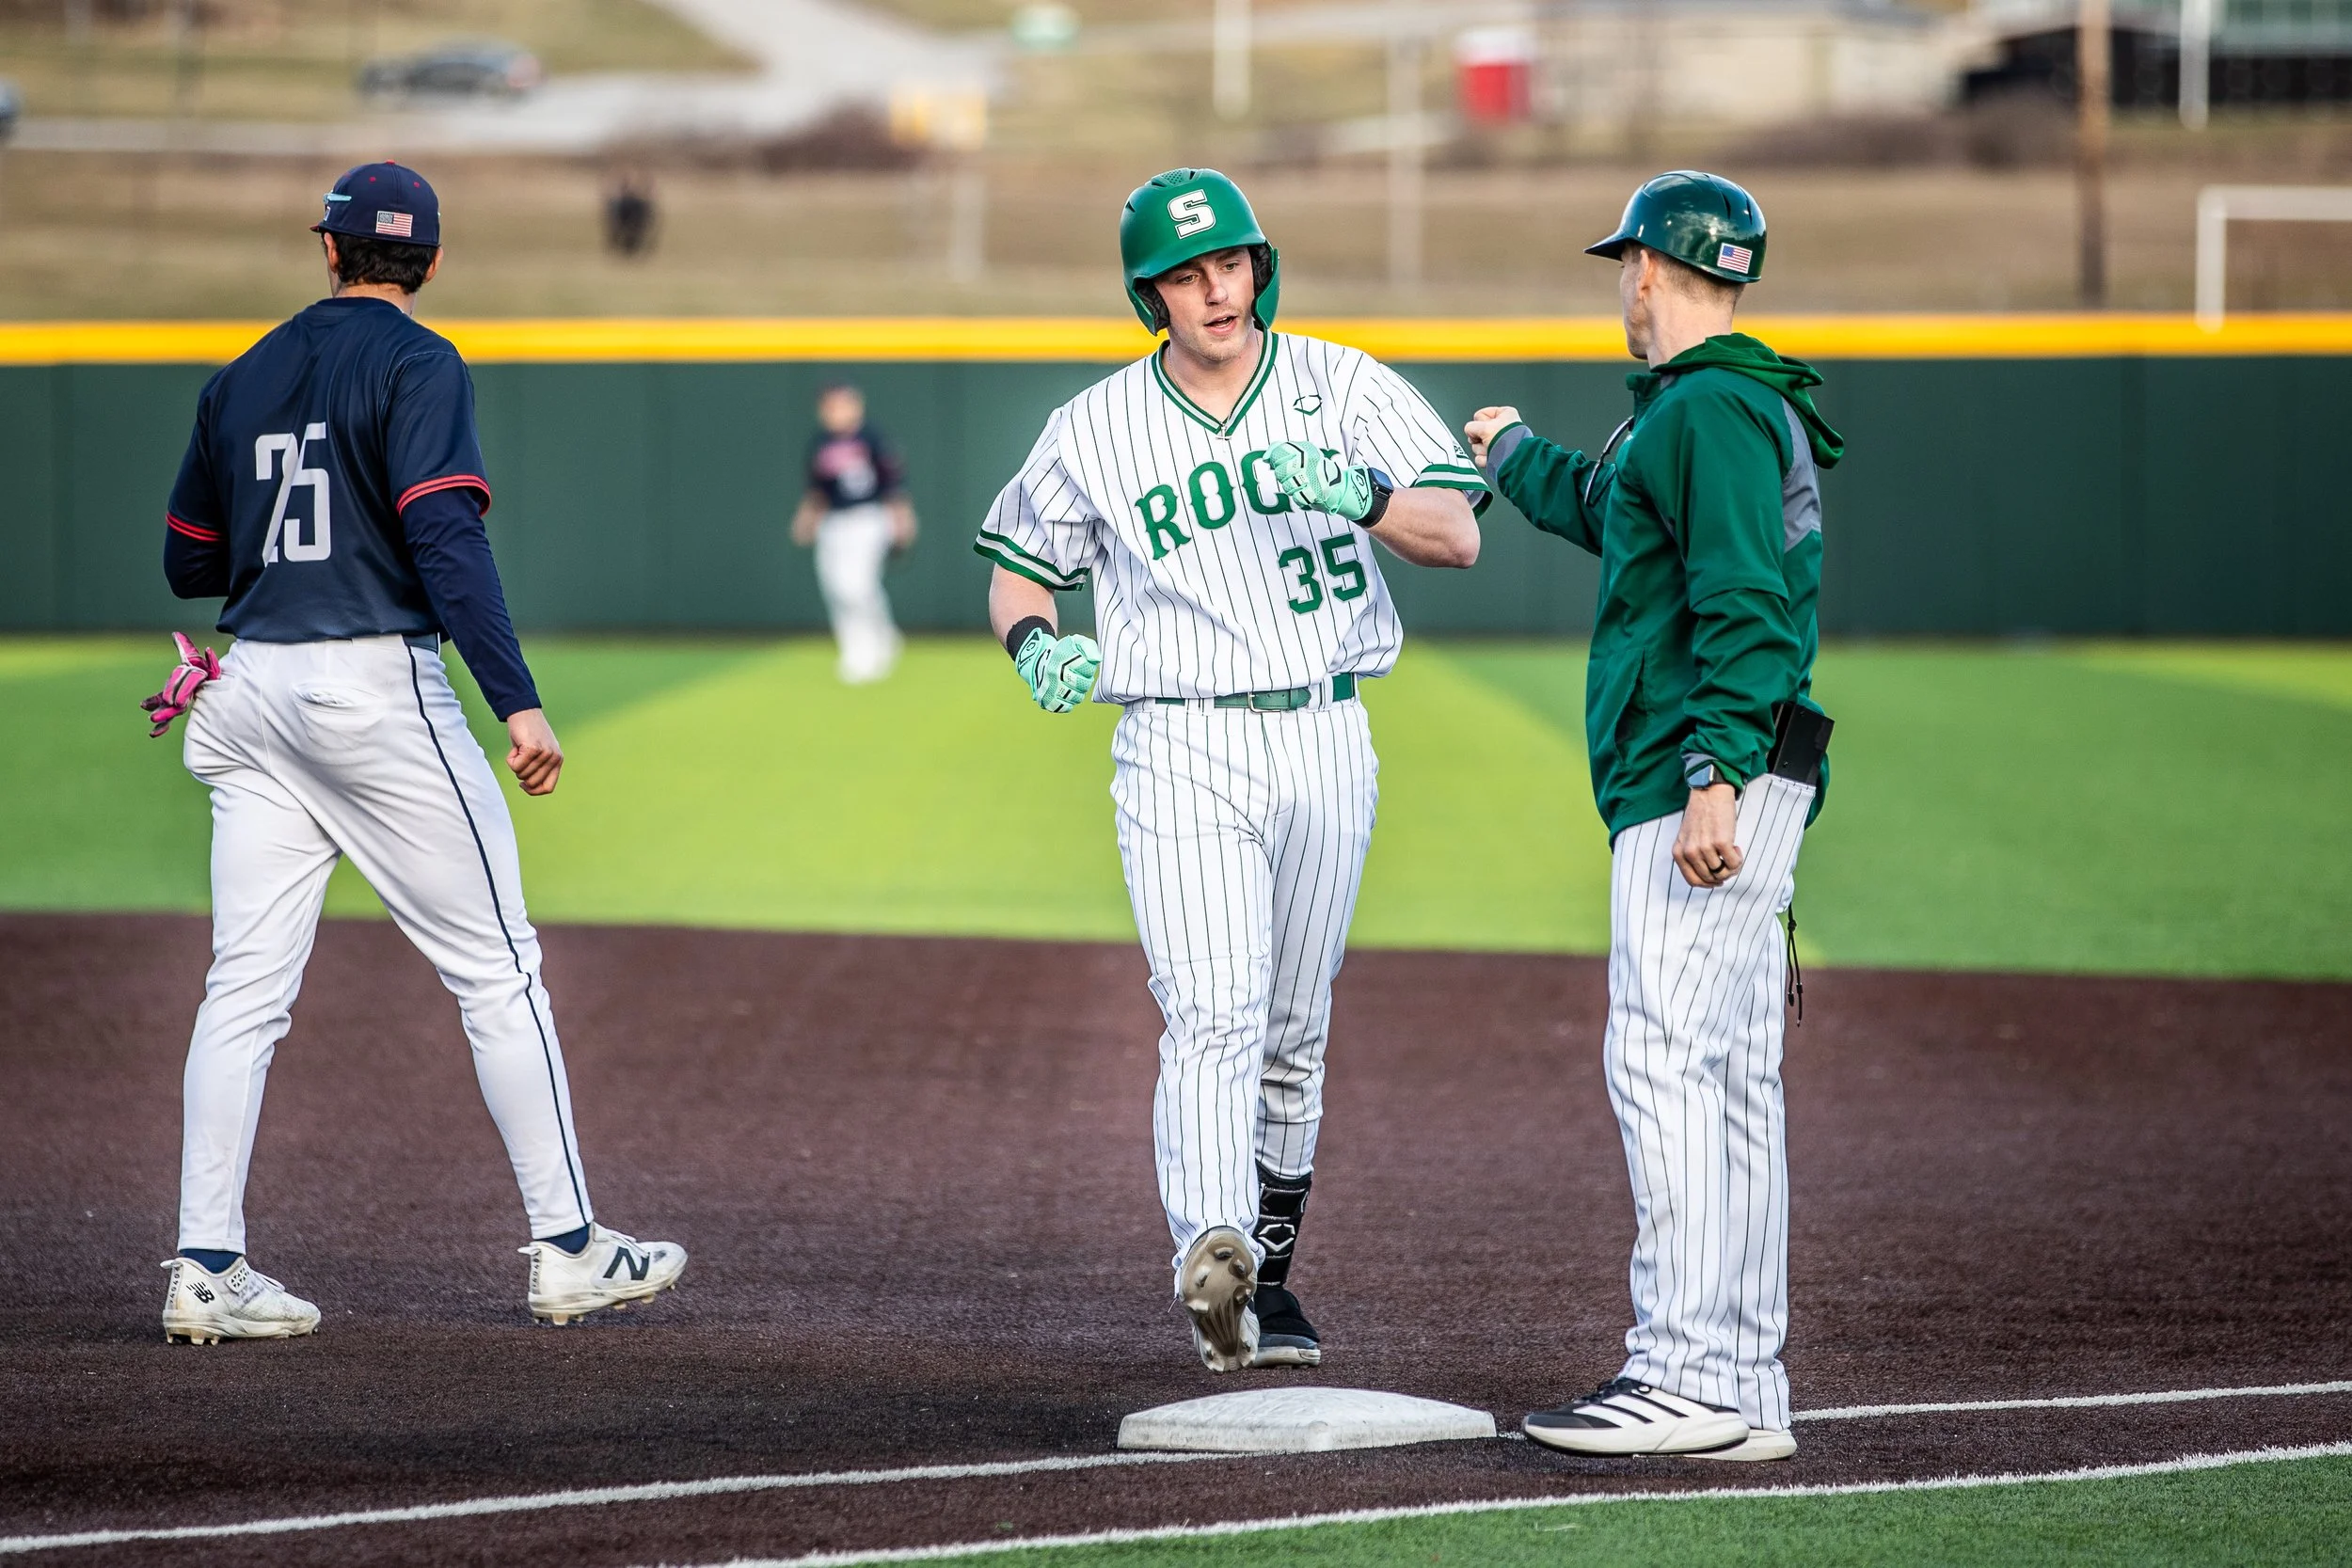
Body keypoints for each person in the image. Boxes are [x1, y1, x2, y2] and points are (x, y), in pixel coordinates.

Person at [148, 161, 687, 1345]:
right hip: (371, 688)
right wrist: (517, 700)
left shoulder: (240, 374)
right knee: (498, 970)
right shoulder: (420, 361)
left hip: (251, 692)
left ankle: (205, 1262)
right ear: (431, 262)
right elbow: (443, 532)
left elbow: (190, 560)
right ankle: (570, 1248)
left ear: (326, 248)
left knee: (243, 988)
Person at [975, 168, 1486, 1371]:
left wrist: (1361, 491)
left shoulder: (1341, 382)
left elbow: (1457, 533)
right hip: (1179, 739)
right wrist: (1034, 642)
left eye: (1231, 264)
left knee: (1292, 1033)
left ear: (1260, 267)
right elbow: (1017, 571)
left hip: (1324, 729)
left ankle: (1270, 1276)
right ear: (1147, 294)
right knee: (1213, 1010)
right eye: (1186, 274)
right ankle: (1212, 1250)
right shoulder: (1094, 426)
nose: (1214, 290)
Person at [1465, 171, 1841, 1460]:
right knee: (1729, 1074)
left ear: (1645, 268)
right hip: (1743, 761)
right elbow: (1613, 510)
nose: (1620, 288)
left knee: (1664, 1058)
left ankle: (1679, 1369)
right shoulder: (1703, 405)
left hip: (1701, 771)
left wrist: (1710, 773)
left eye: (1623, 265)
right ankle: (1739, 1379)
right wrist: (1514, 454)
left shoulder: (1711, 408)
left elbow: (1745, 602)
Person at [791, 384, 915, 684]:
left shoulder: (873, 437)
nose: (836, 412)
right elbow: (817, 492)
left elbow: (893, 486)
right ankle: (856, 649)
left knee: (857, 586)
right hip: (833, 522)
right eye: (830, 406)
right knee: (835, 588)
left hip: (868, 518)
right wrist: (806, 520)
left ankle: (875, 645)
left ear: (856, 405)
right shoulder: (820, 443)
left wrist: (903, 520)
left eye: (842, 404)